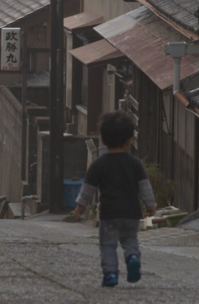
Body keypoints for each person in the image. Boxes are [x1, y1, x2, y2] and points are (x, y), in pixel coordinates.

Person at [71, 111, 157, 287]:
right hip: (131, 214)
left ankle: (110, 274)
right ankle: (132, 257)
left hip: (109, 215)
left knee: (108, 246)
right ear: (129, 140)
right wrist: (151, 206)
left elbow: (88, 189)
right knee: (130, 239)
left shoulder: (99, 164)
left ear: (103, 140)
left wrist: (81, 206)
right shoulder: (135, 163)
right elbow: (145, 187)